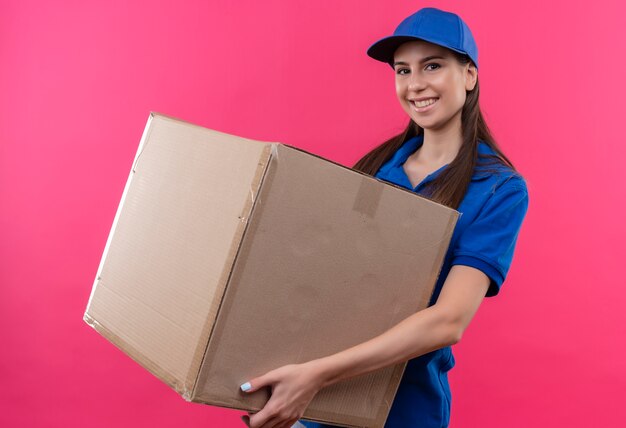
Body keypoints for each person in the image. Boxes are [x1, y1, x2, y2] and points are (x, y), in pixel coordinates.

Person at [238, 7, 529, 428]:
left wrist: (314, 375)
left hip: (398, 412)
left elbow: (447, 321)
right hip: (310, 407)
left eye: (432, 66)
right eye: (402, 70)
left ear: (469, 75)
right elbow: (322, 282)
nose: (415, 85)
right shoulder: (376, 169)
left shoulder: (499, 189)